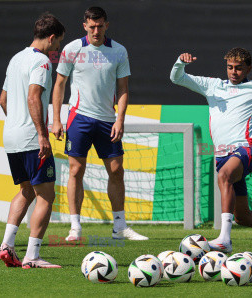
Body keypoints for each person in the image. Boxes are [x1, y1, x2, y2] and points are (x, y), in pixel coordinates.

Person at [170, 48, 252, 256]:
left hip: (246, 151)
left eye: (239, 68)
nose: (233, 72)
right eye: (230, 67)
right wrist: (181, 62)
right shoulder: (213, 85)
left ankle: (225, 240)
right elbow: (177, 78)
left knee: (224, 176)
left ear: (248, 68)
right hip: (223, 156)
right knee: (242, 217)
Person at [52, 7, 148, 241]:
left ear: (107, 25)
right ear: (84, 25)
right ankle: (75, 227)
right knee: (76, 170)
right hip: (79, 118)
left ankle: (120, 227)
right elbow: (59, 85)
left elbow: (123, 89)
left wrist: (120, 119)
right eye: (91, 26)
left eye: (100, 25)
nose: (96, 30)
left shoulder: (119, 51)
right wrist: (56, 119)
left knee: (116, 170)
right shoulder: (72, 49)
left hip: (108, 120)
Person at [0, 13, 65, 268]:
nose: (57, 48)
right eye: (58, 42)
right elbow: (33, 97)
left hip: (11, 136)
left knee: (25, 191)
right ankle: (32, 256)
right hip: (31, 138)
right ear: (50, 38)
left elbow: (3, 100)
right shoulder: (42, 62)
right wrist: (41, 134)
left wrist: (17, 121)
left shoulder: (16, 59)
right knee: (46, 196)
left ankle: (6, 246)